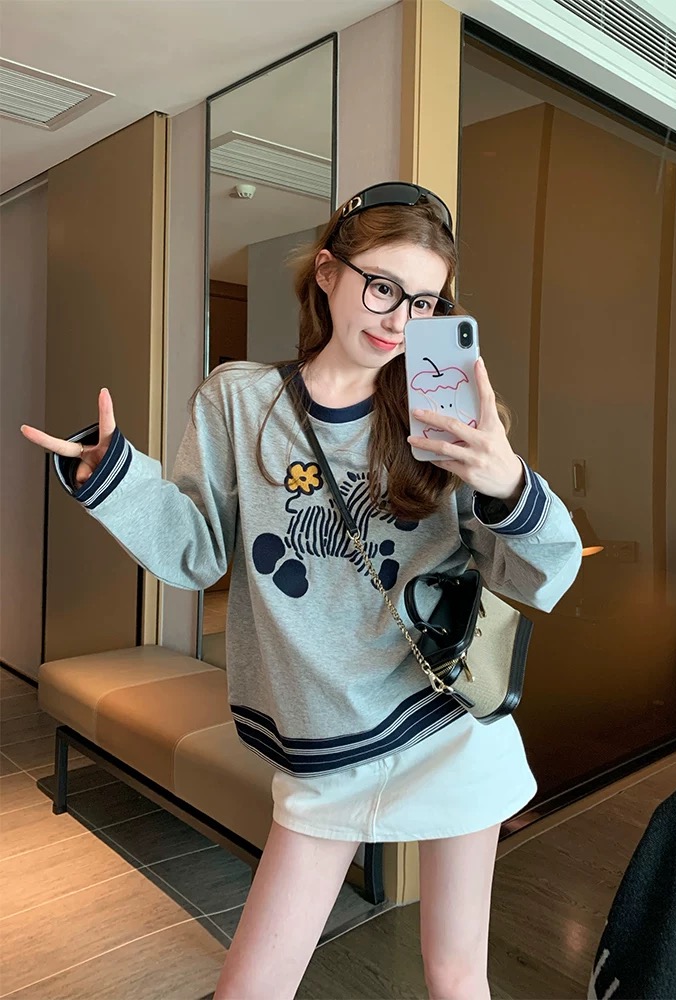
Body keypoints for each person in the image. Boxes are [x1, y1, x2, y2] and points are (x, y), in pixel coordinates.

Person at [22, 181, 582, 1000]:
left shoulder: (443, 411)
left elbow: (543, 572)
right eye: (382, 286)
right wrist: (114, 479)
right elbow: (197, 553)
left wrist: (505, 481)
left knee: (456, 975)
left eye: (424, 301)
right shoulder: (239, 400)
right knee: (250, 988)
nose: (399, 320)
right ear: (327, 272)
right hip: (323, 745)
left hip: (445, 727)